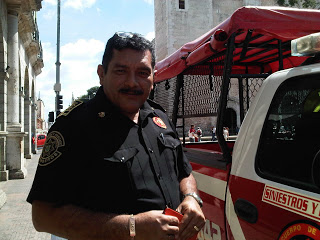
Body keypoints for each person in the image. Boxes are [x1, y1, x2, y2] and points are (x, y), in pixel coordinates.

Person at [27, 32, 205, 240]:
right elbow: (43, 217)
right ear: (101, 74)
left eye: (142, 72)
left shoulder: (161, 118)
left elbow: (184, 173)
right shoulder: (74, 127)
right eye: (121, 71)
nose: (132, 82)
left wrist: (191, 197)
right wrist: (132, 227)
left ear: (153, 77)